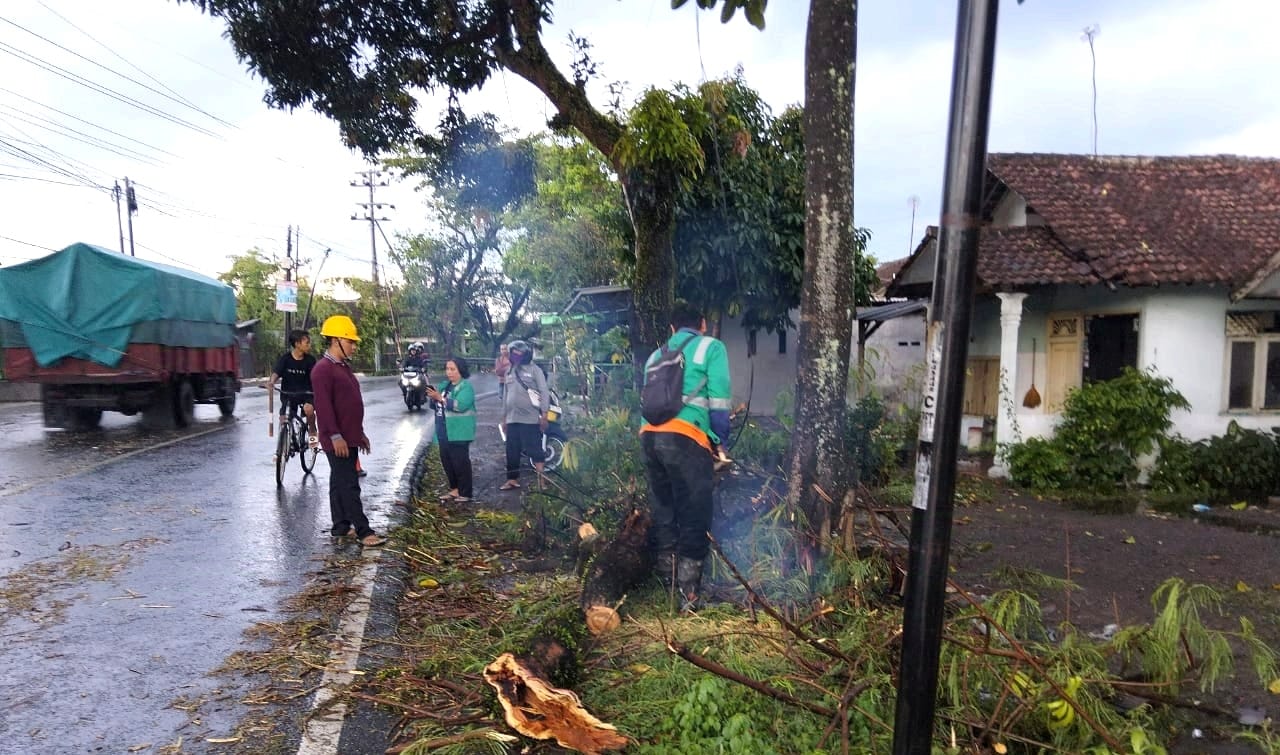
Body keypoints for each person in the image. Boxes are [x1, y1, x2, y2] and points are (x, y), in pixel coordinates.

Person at [640, 301, 732, 612]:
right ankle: (689, 596)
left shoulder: (656, 355)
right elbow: (719, 400)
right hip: (686, 436)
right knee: (694, 512)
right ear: (703, 323)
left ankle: (668, 587)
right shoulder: (711, 347)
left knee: (665, 508)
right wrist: (720, 442)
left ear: (672, 328)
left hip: (649, 437)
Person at [311, 315, 386, 547]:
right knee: (349, 483)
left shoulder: (342, 367)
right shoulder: (322, 370)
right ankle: (364, 531)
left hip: (349, 436)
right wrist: (335, 436)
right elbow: (323, 407)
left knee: (339, 481)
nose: (353, 346)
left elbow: (349, 404)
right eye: (350, 341)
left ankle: (341, 526)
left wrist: (359, 434)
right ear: (335, 340)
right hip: (337, 439)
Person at [500, 340, 550, 490]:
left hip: (530, 418)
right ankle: (512, 479)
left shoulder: (535, 370)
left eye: (517, 354)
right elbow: (505, 395)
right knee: (512, 450)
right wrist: (503, 418)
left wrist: (545, 414)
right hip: (512, 418)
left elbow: (544, 392)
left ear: (525, 354)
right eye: (512, 354)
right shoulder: (509, 370)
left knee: (535, 449)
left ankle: (542, 481)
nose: (514, 356)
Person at [426, 357, 476, 503]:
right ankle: (455, 489)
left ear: (461, 370)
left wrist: (439, 398)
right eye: (447, 369)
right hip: (443, 430)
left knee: (460, 463)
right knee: (447, 462)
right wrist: (432, 396)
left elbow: (461, 405)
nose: (449, 372)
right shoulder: (444, 386)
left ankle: (465, 492)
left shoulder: (465, 387)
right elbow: (434, 405)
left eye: (453, 369)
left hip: (459, 432)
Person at [269, 329, 317, 446]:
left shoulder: (310, 360)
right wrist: (271, 382)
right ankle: (284, 442)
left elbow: (317, 377)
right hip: (288, 394)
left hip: (306, 394)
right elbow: (276, 372)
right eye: (306, 342)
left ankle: (312, 432)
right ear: (297, 344)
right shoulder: (285, 359)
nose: (308, 344)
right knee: (284, 416)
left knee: (309, 410)